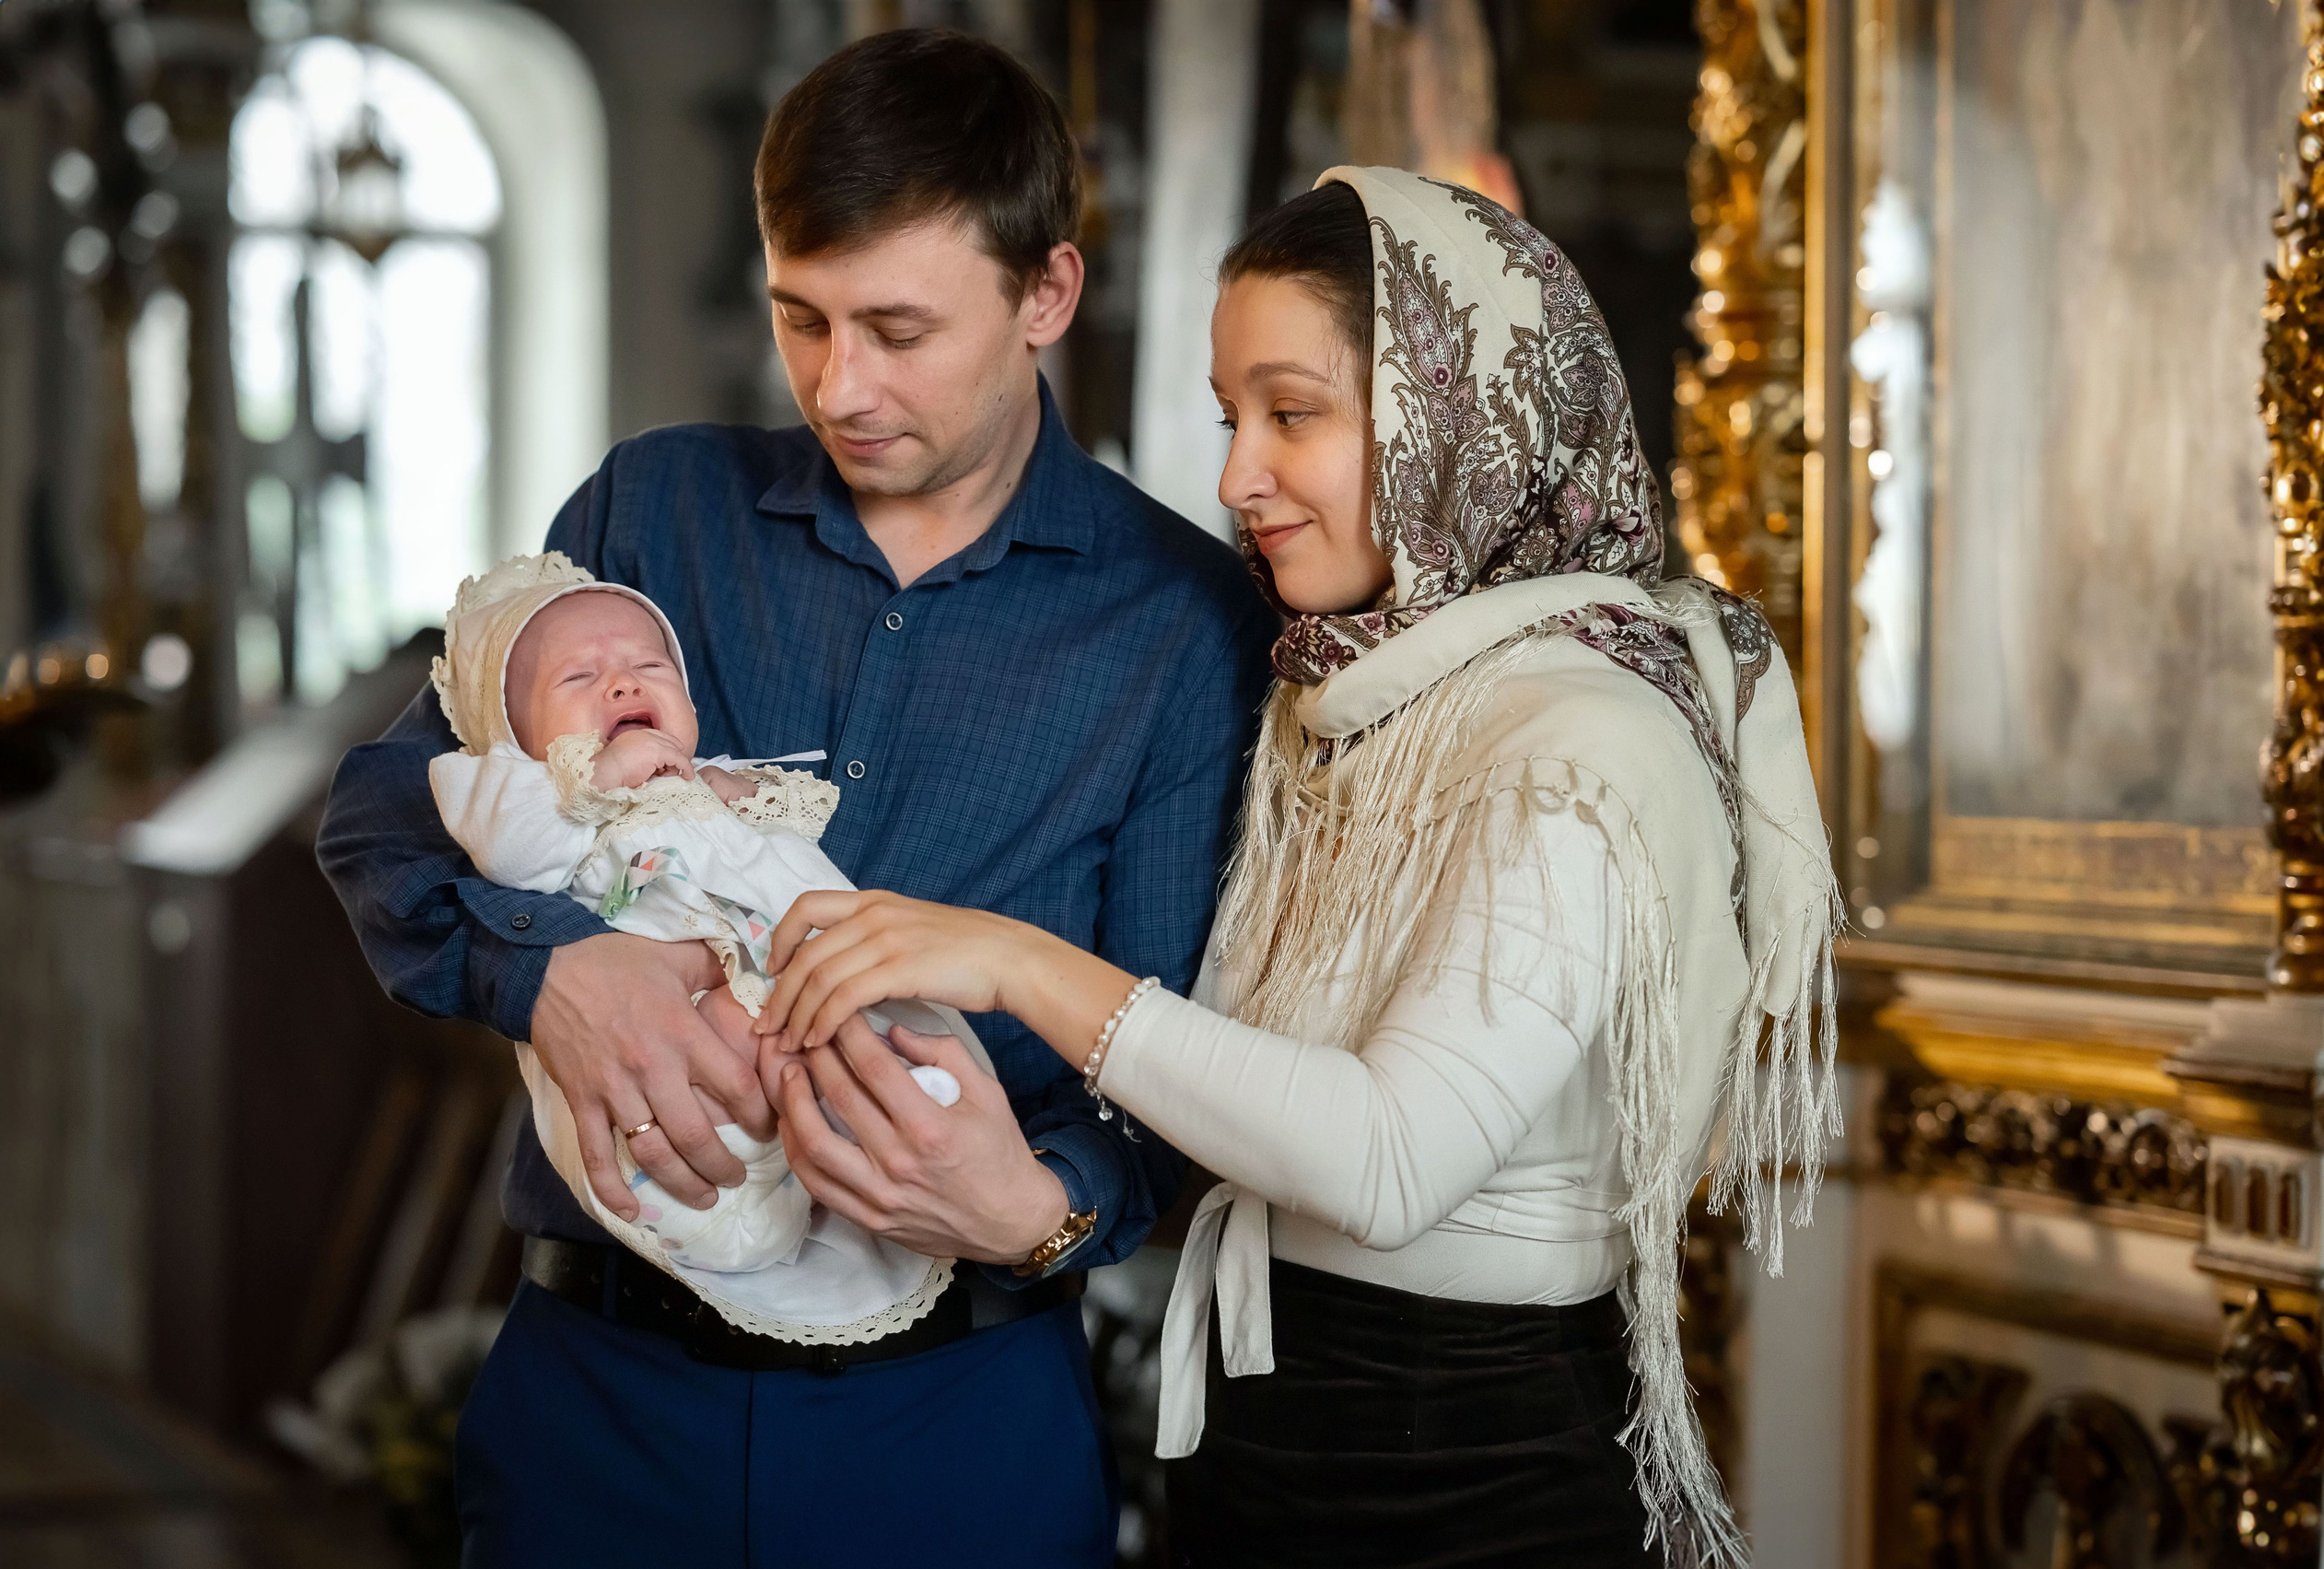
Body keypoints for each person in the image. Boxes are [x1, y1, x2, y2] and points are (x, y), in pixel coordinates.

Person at [756, 169, 1843, 1568]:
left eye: (1294, 414)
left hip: (1470, 1459)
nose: (1234, 478)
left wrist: (1015, 959)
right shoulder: (1347, 700)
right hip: (1277, 1428)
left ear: (1453, 418)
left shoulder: (1583, 730)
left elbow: (1389, 1161)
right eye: (1230, 418)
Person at [316, 29, 1271, 1567]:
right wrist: (549, 972)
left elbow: (1183, 1055)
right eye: (800, 316)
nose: (841, 382)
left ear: (1048, 295)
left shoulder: (1180, 624)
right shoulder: (652, 505)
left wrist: (1038, 1203)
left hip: (961, 1420)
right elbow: (381, 803)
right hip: (599, 1394)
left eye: (898, 328)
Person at [426, 550, 987, 1334]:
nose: (621, 684)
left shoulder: (698, 777)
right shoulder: (527, 796)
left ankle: (880, 1109)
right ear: (516, 740)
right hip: (672, 1031)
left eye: (648, 666)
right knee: (740, 1028)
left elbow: (794, 819)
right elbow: (508, 849)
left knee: (836, 1012)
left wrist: (733, 790)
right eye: (578, 680)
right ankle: (763, 1178)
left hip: (773, 977)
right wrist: (601, 777)